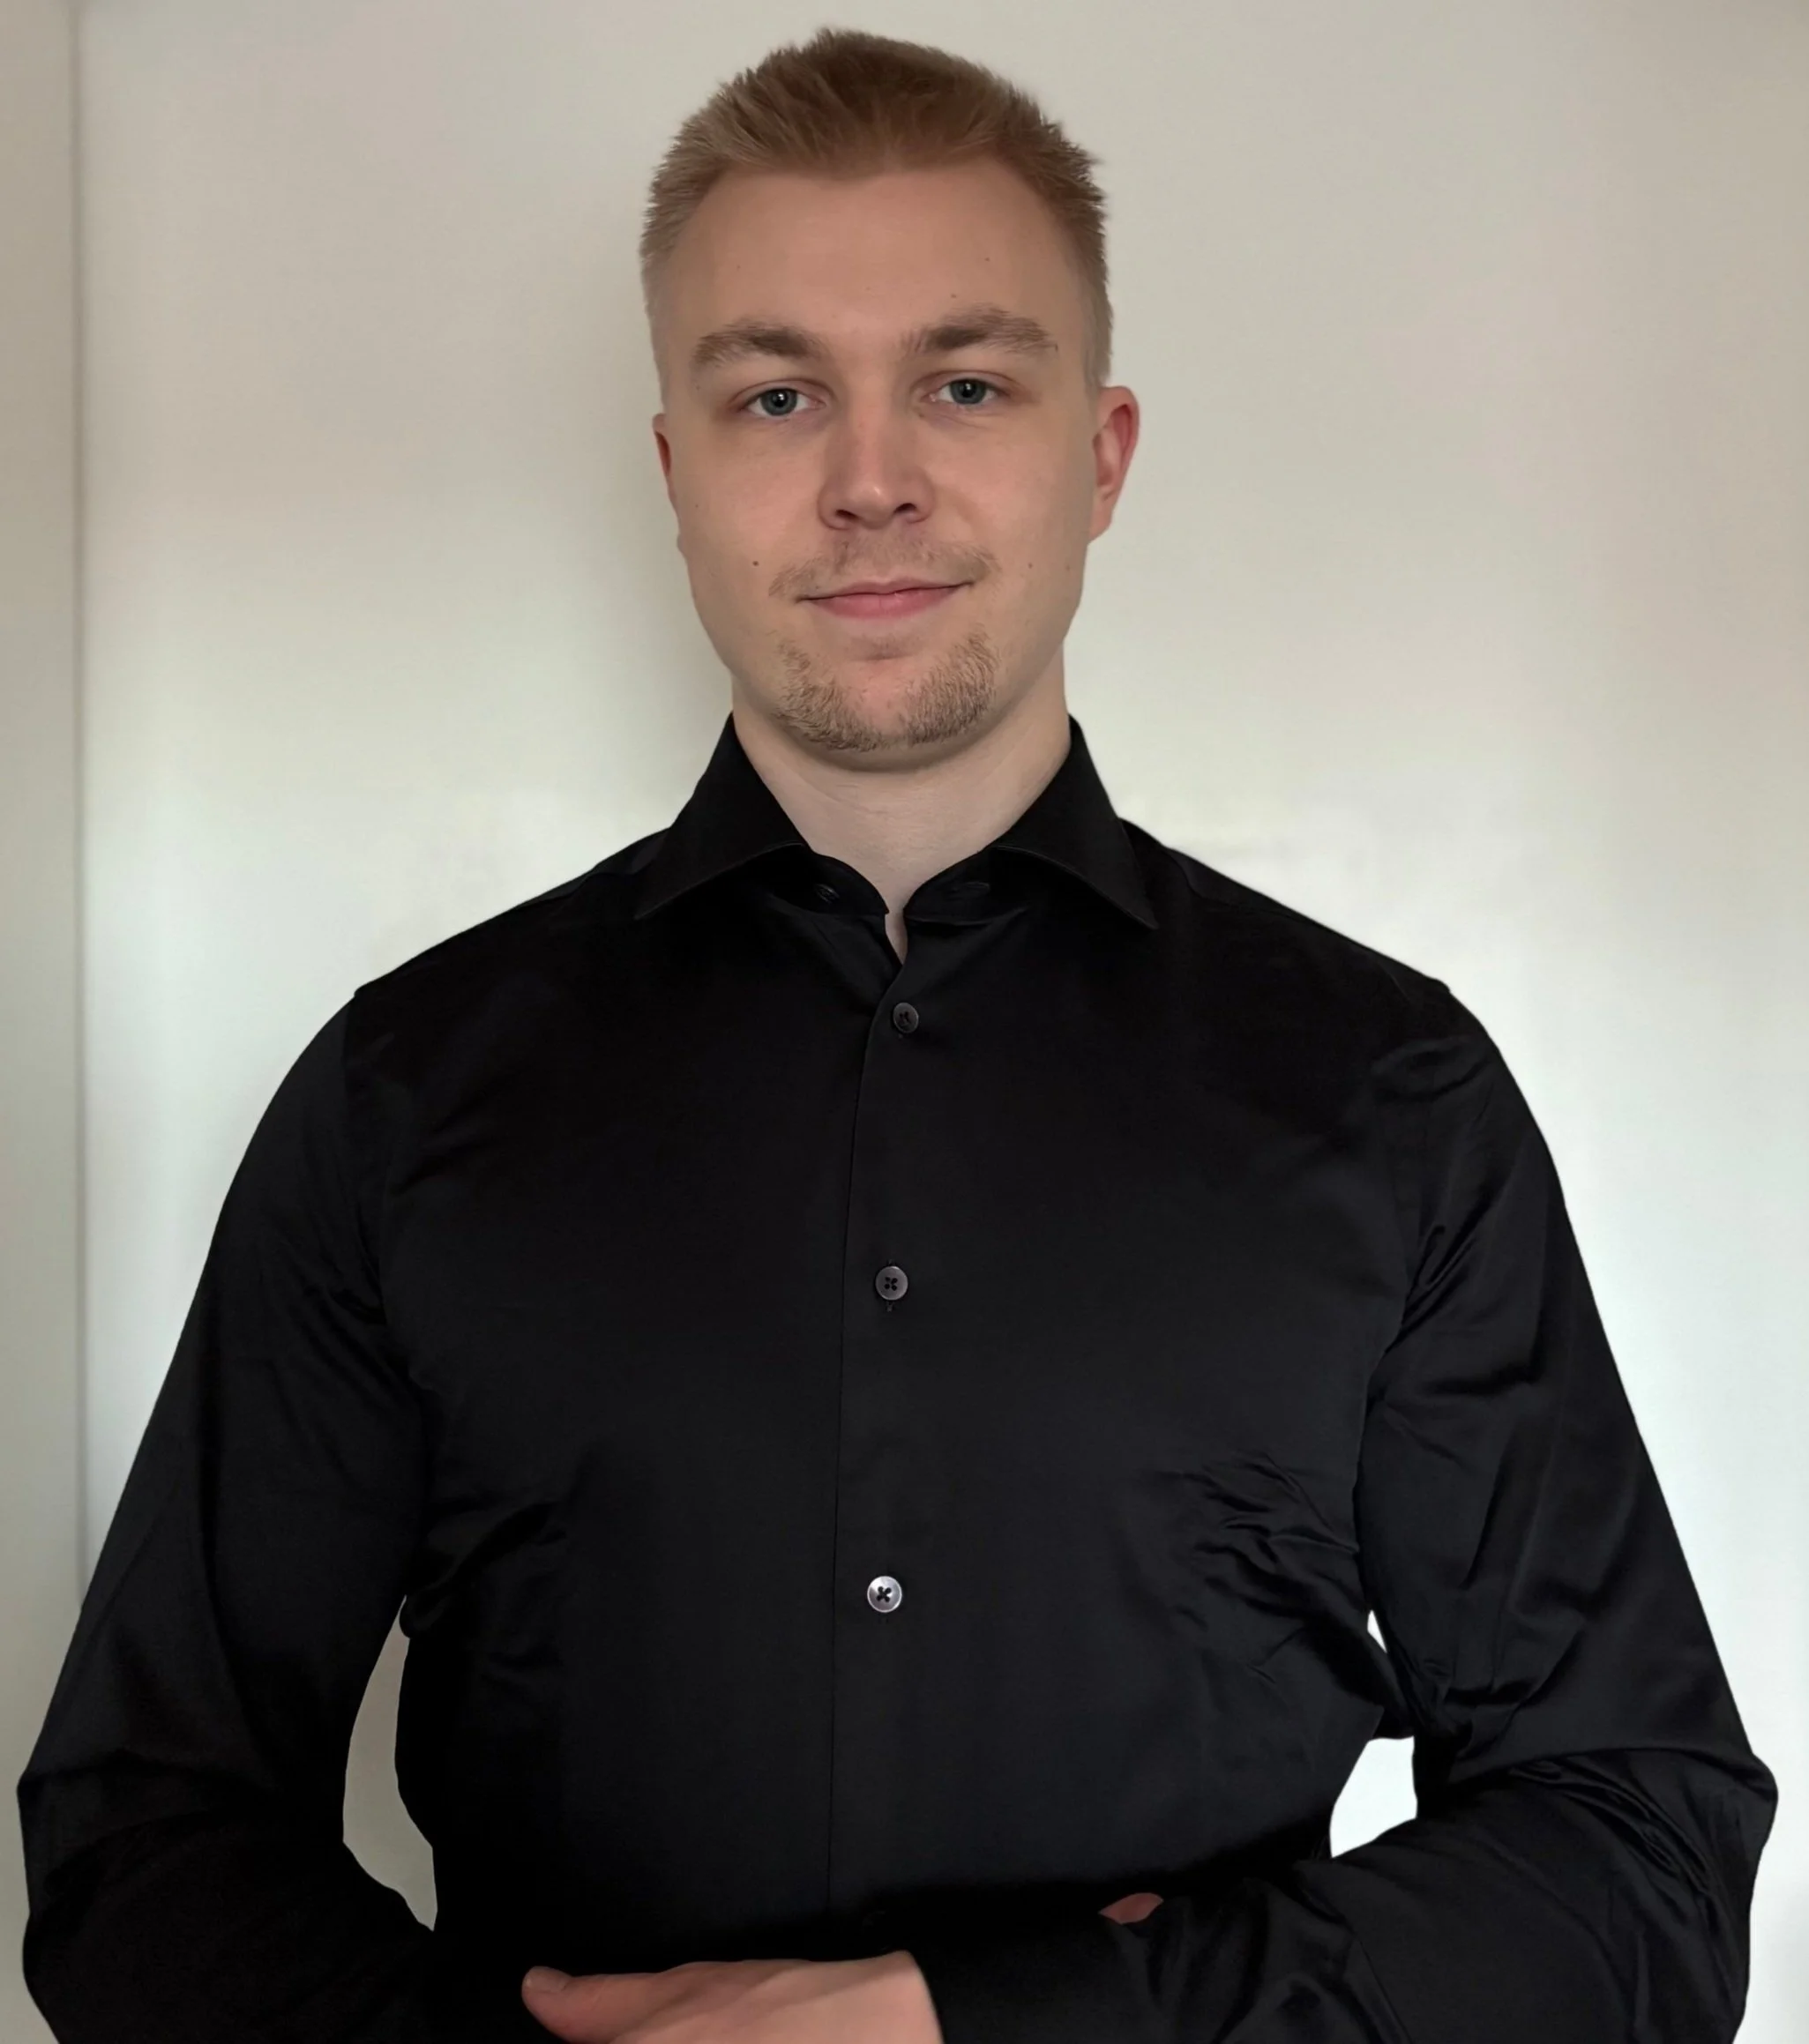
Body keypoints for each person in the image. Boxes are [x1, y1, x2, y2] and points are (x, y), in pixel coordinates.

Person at [18, 26, 1776, 2044]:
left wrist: (995, 2019)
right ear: (676, 471)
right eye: (777, 393)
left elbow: (1636, 1848)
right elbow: (138, 1828)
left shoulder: (1390, 1099)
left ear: (1097, 454)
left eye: (961, 381)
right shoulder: (400, 1095)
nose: (869, 479)